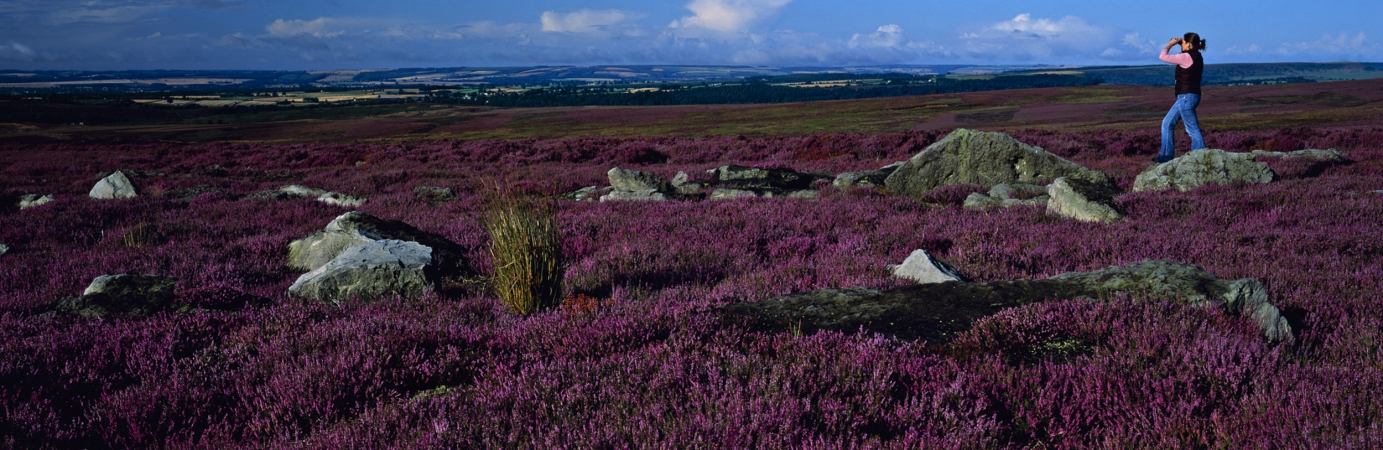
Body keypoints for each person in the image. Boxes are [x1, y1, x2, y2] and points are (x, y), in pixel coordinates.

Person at [1155, 32, 1207, 163]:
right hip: (1190, 96)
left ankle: (1200, 157)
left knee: (1192, 130)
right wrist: (1181, 44)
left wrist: (1171, 44)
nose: (1180, 44)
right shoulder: (1197, 56)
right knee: (1167, 123)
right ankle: (1165, 156)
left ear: (1189, 44)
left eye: (1183, 42)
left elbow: (1163, 56)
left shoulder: (1186, 57)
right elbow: (1185, 55)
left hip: (1186, 97)